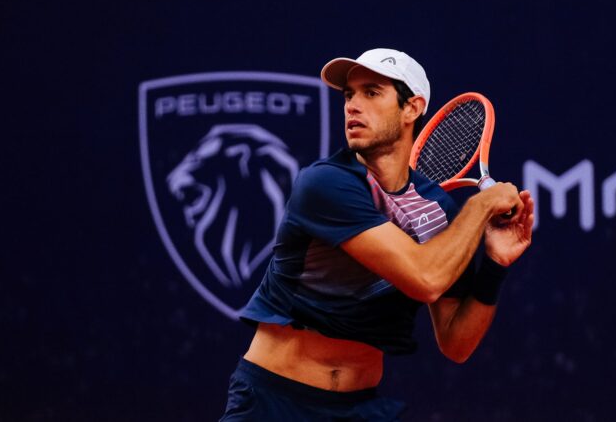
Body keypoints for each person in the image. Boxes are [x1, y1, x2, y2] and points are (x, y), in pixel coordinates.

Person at [220, 48, 535, 421]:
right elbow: (425, 278)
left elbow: (456, 343)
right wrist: (480, 206)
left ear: (412, 108)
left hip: (360, 407)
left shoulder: (438, 212)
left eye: (371, 92)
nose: (352, 106)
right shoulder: (326, 183)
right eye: (349, 95)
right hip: (274, 402)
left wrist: (495, 265)